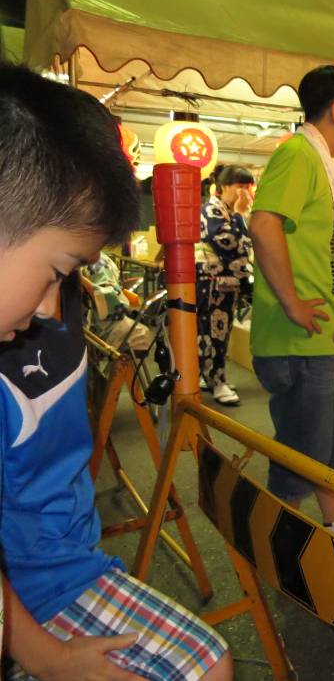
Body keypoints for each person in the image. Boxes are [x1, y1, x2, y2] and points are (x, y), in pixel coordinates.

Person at [0, 63, 232, 680]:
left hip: (61, 569)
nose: (53, 305)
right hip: (39, 594)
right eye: (57, 269)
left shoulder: (46, 316)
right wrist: (48, 659)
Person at [249, 65, 334, 538]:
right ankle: (270, 536)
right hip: (300, 335)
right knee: (305, 451)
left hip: (324, 334)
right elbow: (263, 225)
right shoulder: (299, 155)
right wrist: (293, 303)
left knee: (331, 446)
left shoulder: (317, 159)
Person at [196, 164, 254, 405]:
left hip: (224, 284)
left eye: (248, 187)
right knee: (213, 333)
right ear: (223, 187)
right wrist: (241, 216)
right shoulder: (213, 209)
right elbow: (231, 244)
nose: (245, 192)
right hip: (212, 283)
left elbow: (244, 245)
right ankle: (217, 382)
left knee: (218, 332)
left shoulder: (227, 210)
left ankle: (211, 377)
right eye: (240, 186)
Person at [81, 252, 154, 354]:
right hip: (96, 328)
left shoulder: (68, 258)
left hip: (78, 326)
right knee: (140, 334)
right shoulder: (96, 260)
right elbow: (114, 308)